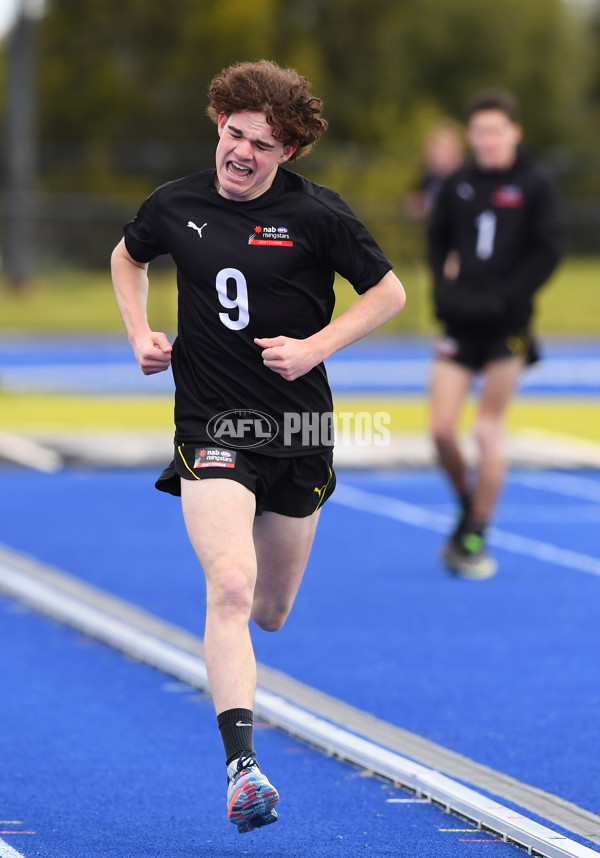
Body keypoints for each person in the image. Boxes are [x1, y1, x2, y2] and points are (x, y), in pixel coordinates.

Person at [111, 60, 406, 833]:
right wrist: (140, 334)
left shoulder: (319, 216)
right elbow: (127, 256)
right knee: (231, 587)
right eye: (235, 135)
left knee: (270, 611)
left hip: (299, 433)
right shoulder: (174, 203)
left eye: (263, 145)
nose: (241, 154)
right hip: (211, 428)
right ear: (218, 124)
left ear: (289, 153)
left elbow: (389, 293)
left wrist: (318, 347)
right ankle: (243, 769)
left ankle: (245, 652)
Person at [427, 90, 562, 580]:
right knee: (441, 431)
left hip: (507, 324)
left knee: (487, 429)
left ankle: (476, 530)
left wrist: (507, 297)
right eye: (479, 131)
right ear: (470, 135)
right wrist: (443, 290)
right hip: (461, 320)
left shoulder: (534, 182)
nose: (487, 140)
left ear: (514, 133)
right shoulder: (459, 182)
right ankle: (468, 503)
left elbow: (549, 251)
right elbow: (437, 239)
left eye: (496, 131)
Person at [405, 121, 464, 221]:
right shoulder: (427, 178)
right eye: (437, 147)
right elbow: (413, 207)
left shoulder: (465, 179)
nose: (441, 153)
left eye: (446, 147)